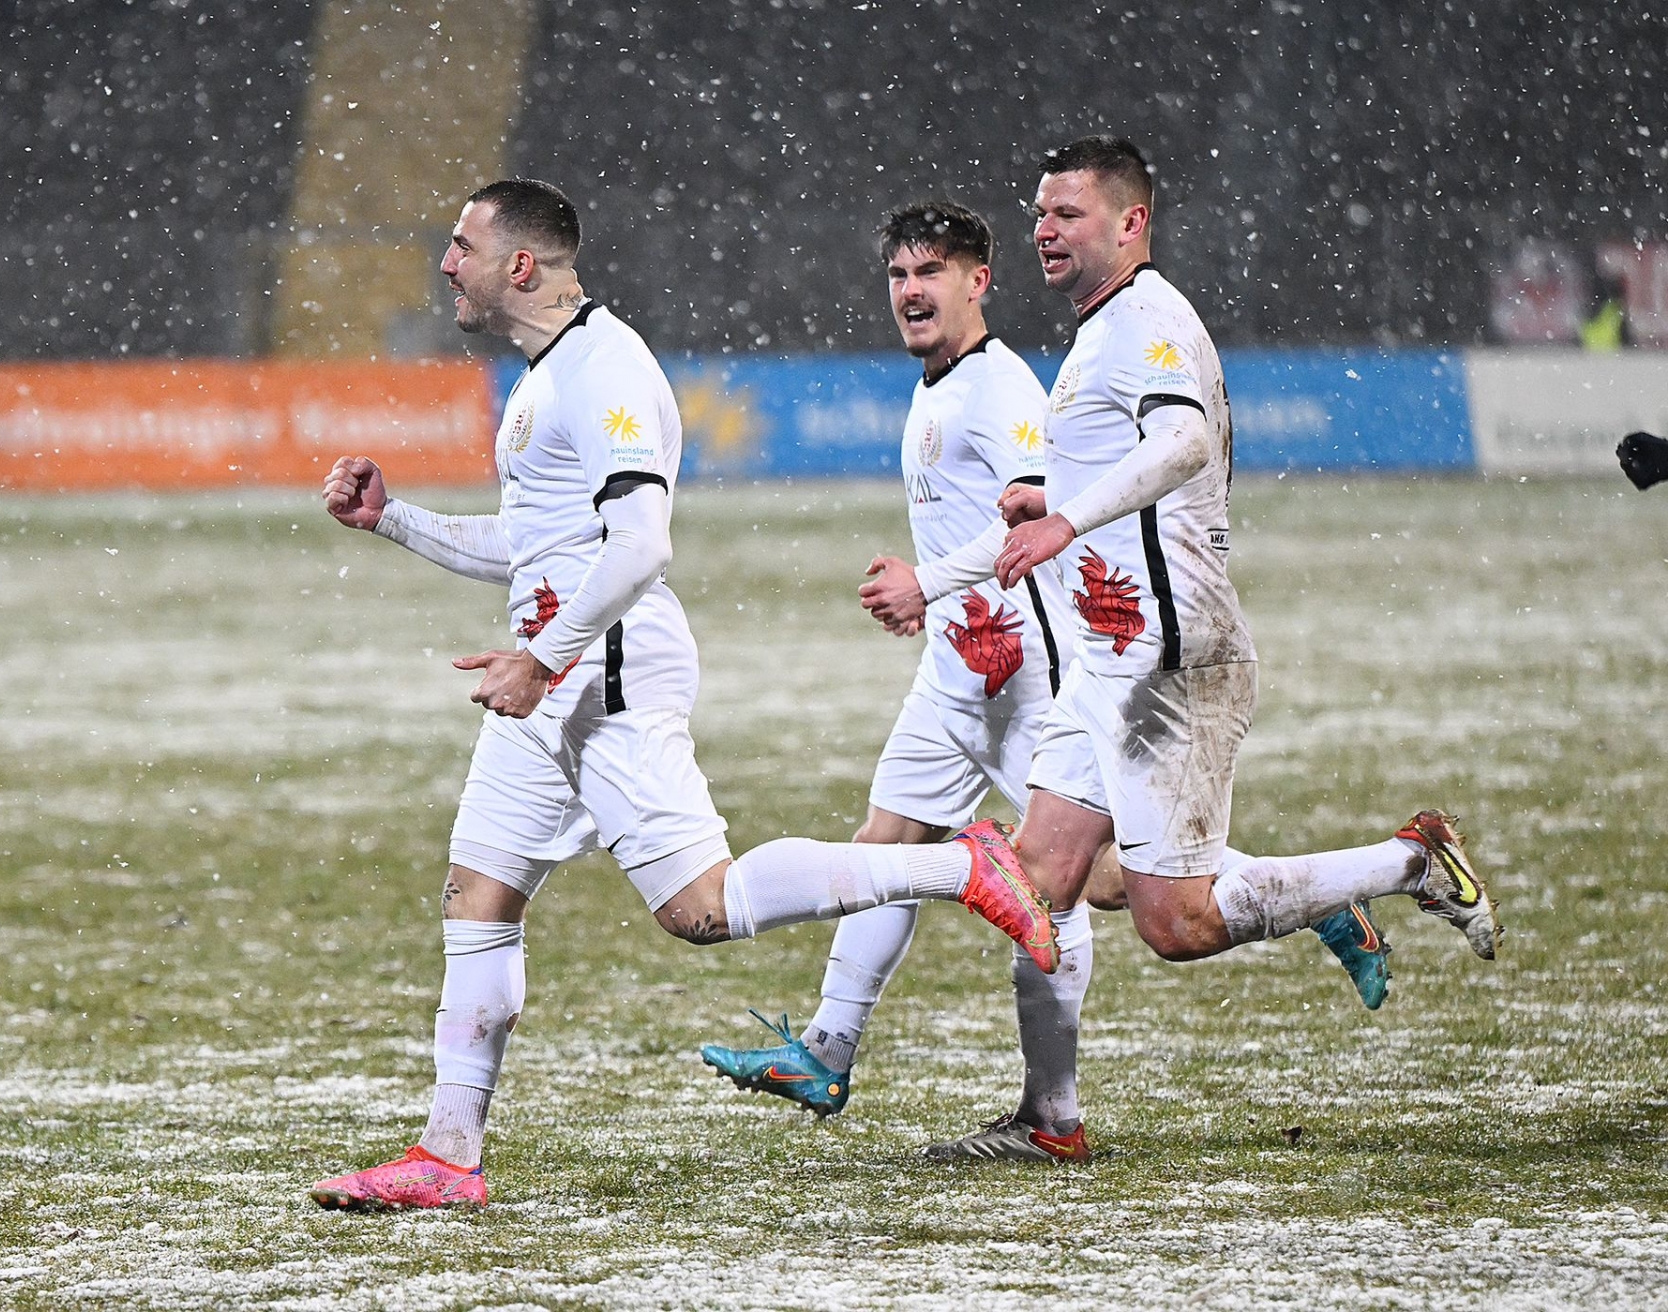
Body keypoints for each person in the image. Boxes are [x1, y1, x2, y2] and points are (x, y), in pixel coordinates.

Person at [307, 178, 1062, 1213]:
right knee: (477, 896)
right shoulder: (542, 377)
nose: (445, 263)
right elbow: (532, 546)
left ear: (520, 265)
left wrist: (545, 659)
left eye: (461, 245)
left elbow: (640, 546)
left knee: (702, 909)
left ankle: (960, 865)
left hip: (603, 670)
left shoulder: (605, 367)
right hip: (553, 677)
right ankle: (448, 1154)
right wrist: (395, 519)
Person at [698, 203, 1394, 1162]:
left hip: (1024, 672)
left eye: (931, 272)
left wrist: (947, 592)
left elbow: (1049, 518)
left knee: (1086, 883)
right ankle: (828, 1049)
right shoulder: (937, 386)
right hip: (955, 675)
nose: (910, 291)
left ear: (978, 282)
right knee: (887, 842)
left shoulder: (999, 390)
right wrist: (938, 597)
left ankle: (1293, 913)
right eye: (899, 274)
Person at [930, 134, 1501, 1156]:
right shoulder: (1102, 330)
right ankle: (1049, 1121)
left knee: (1176, 924)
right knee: (1038, 882)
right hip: (1112, 657)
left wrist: (1063, 522)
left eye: (1068, 214)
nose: (1044, 230)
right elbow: (1137, 472)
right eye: (1040, 212)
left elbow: (1183, 441)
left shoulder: (1146, 317)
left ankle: (1410, 862)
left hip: (1175, 661)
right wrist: (1051, 499)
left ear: (1131, 222)